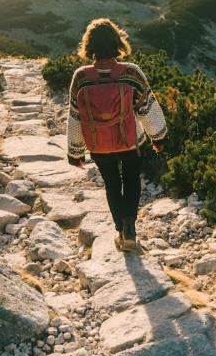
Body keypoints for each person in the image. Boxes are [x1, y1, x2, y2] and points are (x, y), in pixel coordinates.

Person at [66, 18, 167, 252]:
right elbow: (146, 107)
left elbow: (75, 115)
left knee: (112, 185)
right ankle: (130, 228)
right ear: (117, 43)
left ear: (89, 46)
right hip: (128, 141)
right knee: (131, 180)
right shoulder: (130, 72)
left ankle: (120, 232)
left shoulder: (81, 76)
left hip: (98, 145)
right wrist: (159, 137)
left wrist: (75, 151)